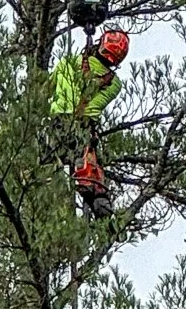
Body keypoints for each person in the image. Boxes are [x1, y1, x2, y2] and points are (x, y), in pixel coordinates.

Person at [48, 25, 129, 218]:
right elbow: (93, 108)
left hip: (57, 123)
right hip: (82, 128)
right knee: (89, 169)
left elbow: (46, 89)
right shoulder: (113, 83)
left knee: (48, 166)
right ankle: (100, 205)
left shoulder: (68, 62)